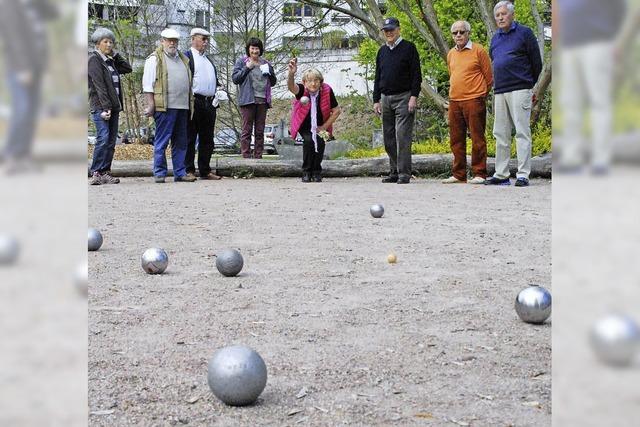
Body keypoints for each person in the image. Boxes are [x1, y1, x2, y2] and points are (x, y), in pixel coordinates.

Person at [555, 0, 628, 174]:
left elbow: (620, 9)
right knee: (570, 103)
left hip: (598, 42)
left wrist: (617, 40)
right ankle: (571, 158)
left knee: (599, 102)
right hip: (569, 46)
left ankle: (601, 160)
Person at [486, 1, 542, 187]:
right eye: (497, 15)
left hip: (520, 88)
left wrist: (527, 84)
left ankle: (522, 174)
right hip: (500, 90)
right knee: (500, 133)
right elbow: (496, 61)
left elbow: (537, 64)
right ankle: (501, 173)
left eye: (504, 14)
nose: (500, 18)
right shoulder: (495, 38)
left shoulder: (525, 33)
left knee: (522, 132)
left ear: (512, 15)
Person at [0, 0, 57, 174]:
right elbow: (13, 36)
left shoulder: (33, 4)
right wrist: (23, 67)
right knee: (22, 110)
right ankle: (12, 157)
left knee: (31, 113)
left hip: (37, 67)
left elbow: (53, 14)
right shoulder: (8, 5)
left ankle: (21, 156)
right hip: (20, 68)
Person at [442, 20, 493, 185]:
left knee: (477, 138)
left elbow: (489, 78)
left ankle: (479, 173)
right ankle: (459, 174)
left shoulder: (478, 50)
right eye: (455, 33)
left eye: (461, 32)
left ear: (468, 33)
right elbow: (452, 75)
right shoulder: (451, 54)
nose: (458, 35)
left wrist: (480, 96)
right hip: (455, 101)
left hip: (474, 99)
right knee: (456, 139)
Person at [142, 28, 195, 183]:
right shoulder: (154, 59)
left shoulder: (183, 58)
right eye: (169, 40)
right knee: (162, 141)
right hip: (164, 106)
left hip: (182, 106)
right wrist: (151, 105)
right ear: (162, 41)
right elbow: (147, 85)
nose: (172, 43)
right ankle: (159, 172)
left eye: (175, 40)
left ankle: (180, 172)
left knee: (181, 142)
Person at [373, 17, 422, 184]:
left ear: (398, 29)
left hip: (404, 97)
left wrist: (413, 97)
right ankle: (394, 171)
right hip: (385, 98)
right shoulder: (382, 51)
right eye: (386, 30)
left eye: (391, 30)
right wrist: (376, 99)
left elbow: (417, 75)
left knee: (402, 137)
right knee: (388, 138)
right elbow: (377, 76)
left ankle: (404, 173)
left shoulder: (409, 48)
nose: (389, 33)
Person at [88, 28, 132, 185]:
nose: (109, 44)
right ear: (98, 44)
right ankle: (96, 172)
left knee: (111, 141)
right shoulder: (94, 60)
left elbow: (128, 68)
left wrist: (115, 55)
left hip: (113, 107)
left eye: (111, 42)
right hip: (101, 106)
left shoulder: (111, 61)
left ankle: (106, 171)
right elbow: (99, 85)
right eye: (105, 41)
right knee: (103, 138)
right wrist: (105, 108)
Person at [287, 59, 341, 182]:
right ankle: (306, 171)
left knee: (321, 142)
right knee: (309, 141)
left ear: (321, 82)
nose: (313, 84)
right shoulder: (302, 90)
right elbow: (291, 87)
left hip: (322, 124)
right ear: (305, 83)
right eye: (310, 81)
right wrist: (291, 73)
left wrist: (324, 127)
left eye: (316, 80)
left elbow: (337, 111)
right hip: (304, 124)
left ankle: (316, 171)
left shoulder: (327, 90)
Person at [183, 27, 223, 180]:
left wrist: (219, 89)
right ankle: (189, 169)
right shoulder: (186, 57)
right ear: (193, 39)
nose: (206, 42)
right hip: (194, 102)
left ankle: (205, 170)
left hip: (210, 103)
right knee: (190, 137)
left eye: (207, 39)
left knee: (207, 139)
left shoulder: (208, 59)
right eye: (203, 39)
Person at [231, 38, 277, 159]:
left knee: (260, 131)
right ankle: (246, 156)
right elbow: (235, 79)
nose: (255, 51)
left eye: (257, 48)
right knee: (246, 130)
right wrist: (247, 68)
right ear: (248, 49)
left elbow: (273, 82)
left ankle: (258, 157)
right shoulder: (242, 62)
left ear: (260, 50)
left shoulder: (265, 63)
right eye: (252, 48)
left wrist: (269, 73)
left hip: (262, 100)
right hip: (247, 100)